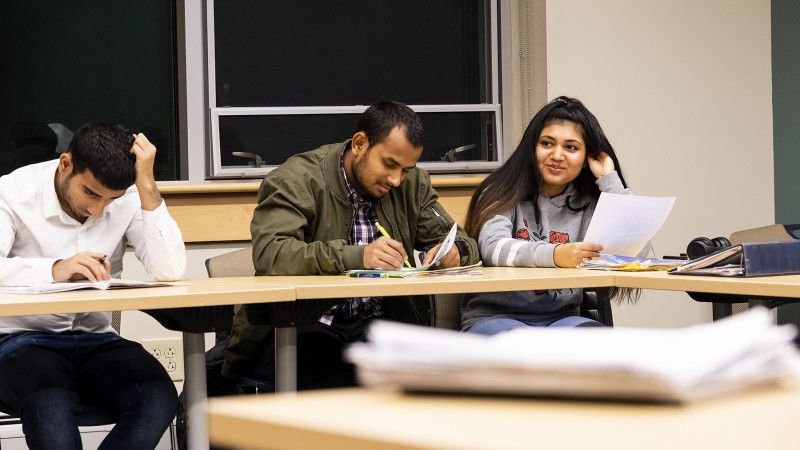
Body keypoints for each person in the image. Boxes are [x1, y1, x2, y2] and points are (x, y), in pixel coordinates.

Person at [222, 101, 480, 390]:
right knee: (340, 381)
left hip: (380, 323)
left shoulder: (411, 185)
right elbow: (273, 255)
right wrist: (359, 256)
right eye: (389, 164)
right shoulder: (295, 180)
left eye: (406, 169)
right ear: (359, 143)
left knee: (441, 385)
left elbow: (462, 241)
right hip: (304, 324)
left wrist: (455, 252)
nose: (396, 180)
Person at [0, 123, 186, 449]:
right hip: (18, 341)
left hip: (96, 338)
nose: (97, 209)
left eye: (111, 199)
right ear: (66, 164)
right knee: (51, 407)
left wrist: (145, 183)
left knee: (158, 398)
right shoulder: (13, 193)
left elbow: (169, 269)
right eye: (90, 193)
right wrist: (55, 269)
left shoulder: (128, 196)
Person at [461, 96, 635, 335]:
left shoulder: (591, 203)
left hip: (561, 319)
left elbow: (632, 252)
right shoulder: (501, 190)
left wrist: (609, 180)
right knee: (527, 349)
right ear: (532, 148)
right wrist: (556, 254)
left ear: (586, 159)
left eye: (571, 147)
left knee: (604, 345)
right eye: (547, 143)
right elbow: (494, 248)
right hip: (495, 317)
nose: (557, 155)